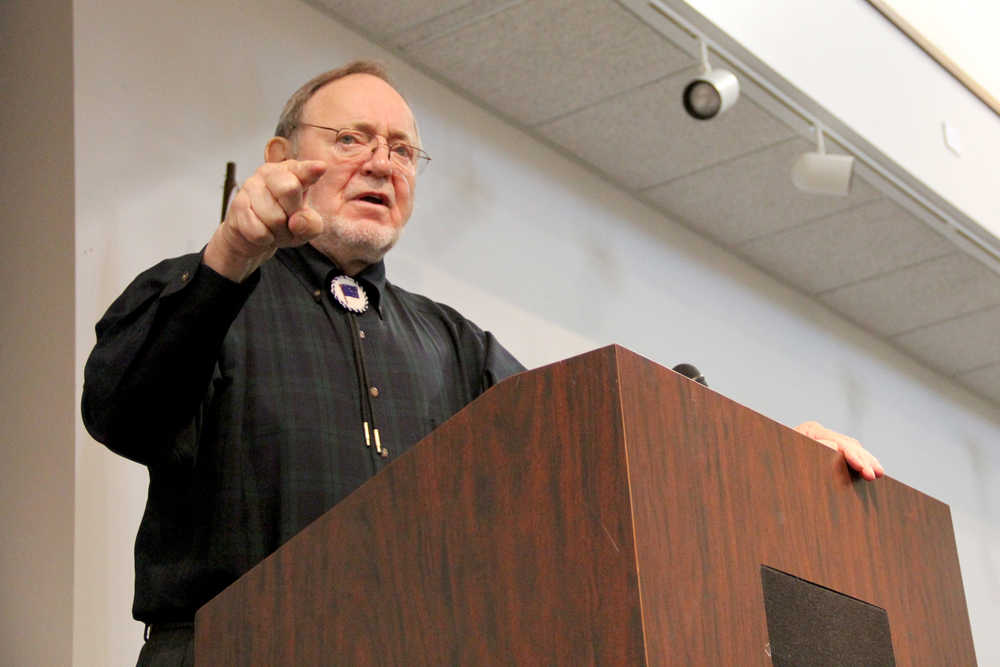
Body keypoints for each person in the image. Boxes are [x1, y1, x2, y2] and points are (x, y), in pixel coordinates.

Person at [82, 61, 884, 666]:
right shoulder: (210, 287)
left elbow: (588, 443)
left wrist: (772, 452)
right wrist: (232, 252)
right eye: (351, 139)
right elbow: (119, 409)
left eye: (402, 149)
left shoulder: (452, 344)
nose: (381, 162)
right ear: (279, 155)